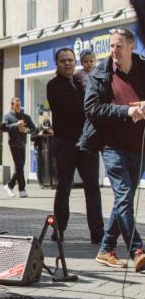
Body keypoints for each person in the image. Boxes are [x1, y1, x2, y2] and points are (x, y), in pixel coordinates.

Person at [84, 28, 145, 270]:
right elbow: (92, 109)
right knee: (123, 196)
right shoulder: (101, 73)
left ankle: (106, 249)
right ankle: (137, 249)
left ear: (132, 47)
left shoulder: (143, 69)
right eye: (111, 46)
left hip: (138, 147)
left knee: (125, 199)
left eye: (118, 46)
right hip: (111, 146)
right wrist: (127, 111)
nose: (113, 51)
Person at [46, 48, 104, 244]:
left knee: (93, 188)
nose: (68, 64)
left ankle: (97, 233)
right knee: (64, 186)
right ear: (57, 64)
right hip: (65, 143)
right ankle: (59, 228)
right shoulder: (53, 86)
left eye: (70, 60)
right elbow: (73, 109)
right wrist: (92, 110)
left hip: (87, 143)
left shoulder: (82, 83)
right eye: (63, 61)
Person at [1, 97, 36, 198]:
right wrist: (16, 125)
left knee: (20, 168)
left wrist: (26, 131)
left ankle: (9, 185)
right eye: (16, 105)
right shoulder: (7, 116)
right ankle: (22, 189)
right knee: (20, 166)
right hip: (13, 145)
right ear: (12, 105)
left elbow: (34, 129)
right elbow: (3, 128)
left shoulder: (25, 116)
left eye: (19, 105)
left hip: (22, 144)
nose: (18, 107)